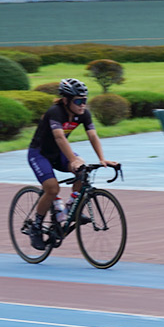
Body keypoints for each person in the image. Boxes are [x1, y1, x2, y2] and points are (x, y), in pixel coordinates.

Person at [23, 78, 113, 247]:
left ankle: (70, 209)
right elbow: (59, 137)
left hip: (59, 153)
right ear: (65, 100)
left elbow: (92, 135)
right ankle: (36, 227)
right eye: (78, 101)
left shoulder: (83, 114)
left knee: (83, 169)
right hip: (39, 154)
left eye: (85, 100)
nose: (82, 105)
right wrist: (72, 159)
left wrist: (102, 158)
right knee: (52, 188)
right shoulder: (55, 112)